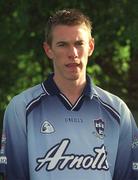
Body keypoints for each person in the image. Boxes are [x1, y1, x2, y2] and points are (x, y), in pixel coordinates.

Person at [0, 8, 138, 180]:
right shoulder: (21, 109)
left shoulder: (118, 111)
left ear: (91, 47)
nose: (72, 53)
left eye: (79, 44)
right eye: (62, 44)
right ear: (48, 49)